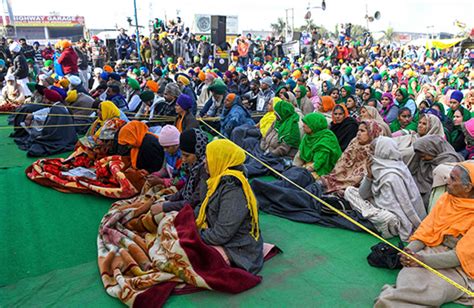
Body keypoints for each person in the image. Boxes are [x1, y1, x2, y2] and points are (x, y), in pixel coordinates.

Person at [375, 162, 474, 307]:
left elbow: (460, 256)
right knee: (410, 276)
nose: (447, 181)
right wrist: (410, 251)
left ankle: (389, 301)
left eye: (453, 179)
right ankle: (395, 299)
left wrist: (422, 260)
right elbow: (426, 230)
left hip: (460, 268)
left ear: (468, 187)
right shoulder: (447, 199)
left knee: (433, 291)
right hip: (432, 251)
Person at [194, 139, 264, 274]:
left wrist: (195, 234)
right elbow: (201, 206)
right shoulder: (214, 180)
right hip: (219, 236)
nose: (204, 161)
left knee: (185, 255)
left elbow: (221, 234)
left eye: (208, 157)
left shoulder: (234, 190)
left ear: (220, 159)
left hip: (238, 249)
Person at [344, 137, 427, 240]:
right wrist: (369, 177)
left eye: (372, 150)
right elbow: (363, 194)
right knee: (349, 191)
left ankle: (366, 215)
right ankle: (367, 215)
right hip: (375, 204)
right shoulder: (376, 166)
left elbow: (393, 208)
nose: (369, 153)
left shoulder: (392, 176)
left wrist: (371, 202)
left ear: (381, 152)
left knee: (387, 218)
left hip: (394, 216)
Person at [320, 120, 382, 195]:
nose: (358, 133)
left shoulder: (375, 150)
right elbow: (341, 163)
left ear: (371, 133)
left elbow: (365, 177)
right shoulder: (354, 143)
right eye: (358, 130)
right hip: (336, 179)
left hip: (356, 189)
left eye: (362, 131)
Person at [14, 88, 78, 157]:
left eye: (45, 98)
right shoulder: (58, 106)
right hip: (68, 138)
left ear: (50, 100)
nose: (43, 101)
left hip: (61, 139)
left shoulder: (55, 109)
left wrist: (41, 136)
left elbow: (50, 131)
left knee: (35, 149)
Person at [408, 135, 464, 207]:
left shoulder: (449, 160)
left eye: (424, 156)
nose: (422, 159)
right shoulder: (427, 160)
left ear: (432, 150)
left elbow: (440, 182)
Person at [293, 113, 342, 177]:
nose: (303, 125)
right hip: (308, 165)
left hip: (323, 170)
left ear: (314, 125)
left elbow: (319, 162)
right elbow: (300, 154)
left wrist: (302, 171)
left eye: (306, 123)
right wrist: (294, 168)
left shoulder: (326, 139)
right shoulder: (308, 136)